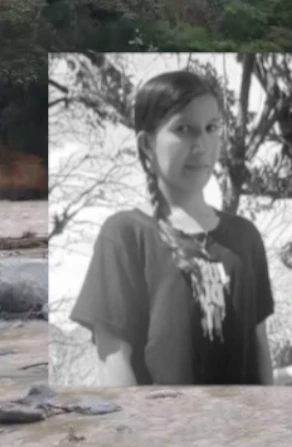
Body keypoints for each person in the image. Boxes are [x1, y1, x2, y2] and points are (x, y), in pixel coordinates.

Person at [70, 69, 275, 386]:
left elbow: (259, 345)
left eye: (211, 128)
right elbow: (114, 362)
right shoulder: (125, 234)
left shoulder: (245, 237)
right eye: (184, 129)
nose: (202, 145)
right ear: (147, 144)